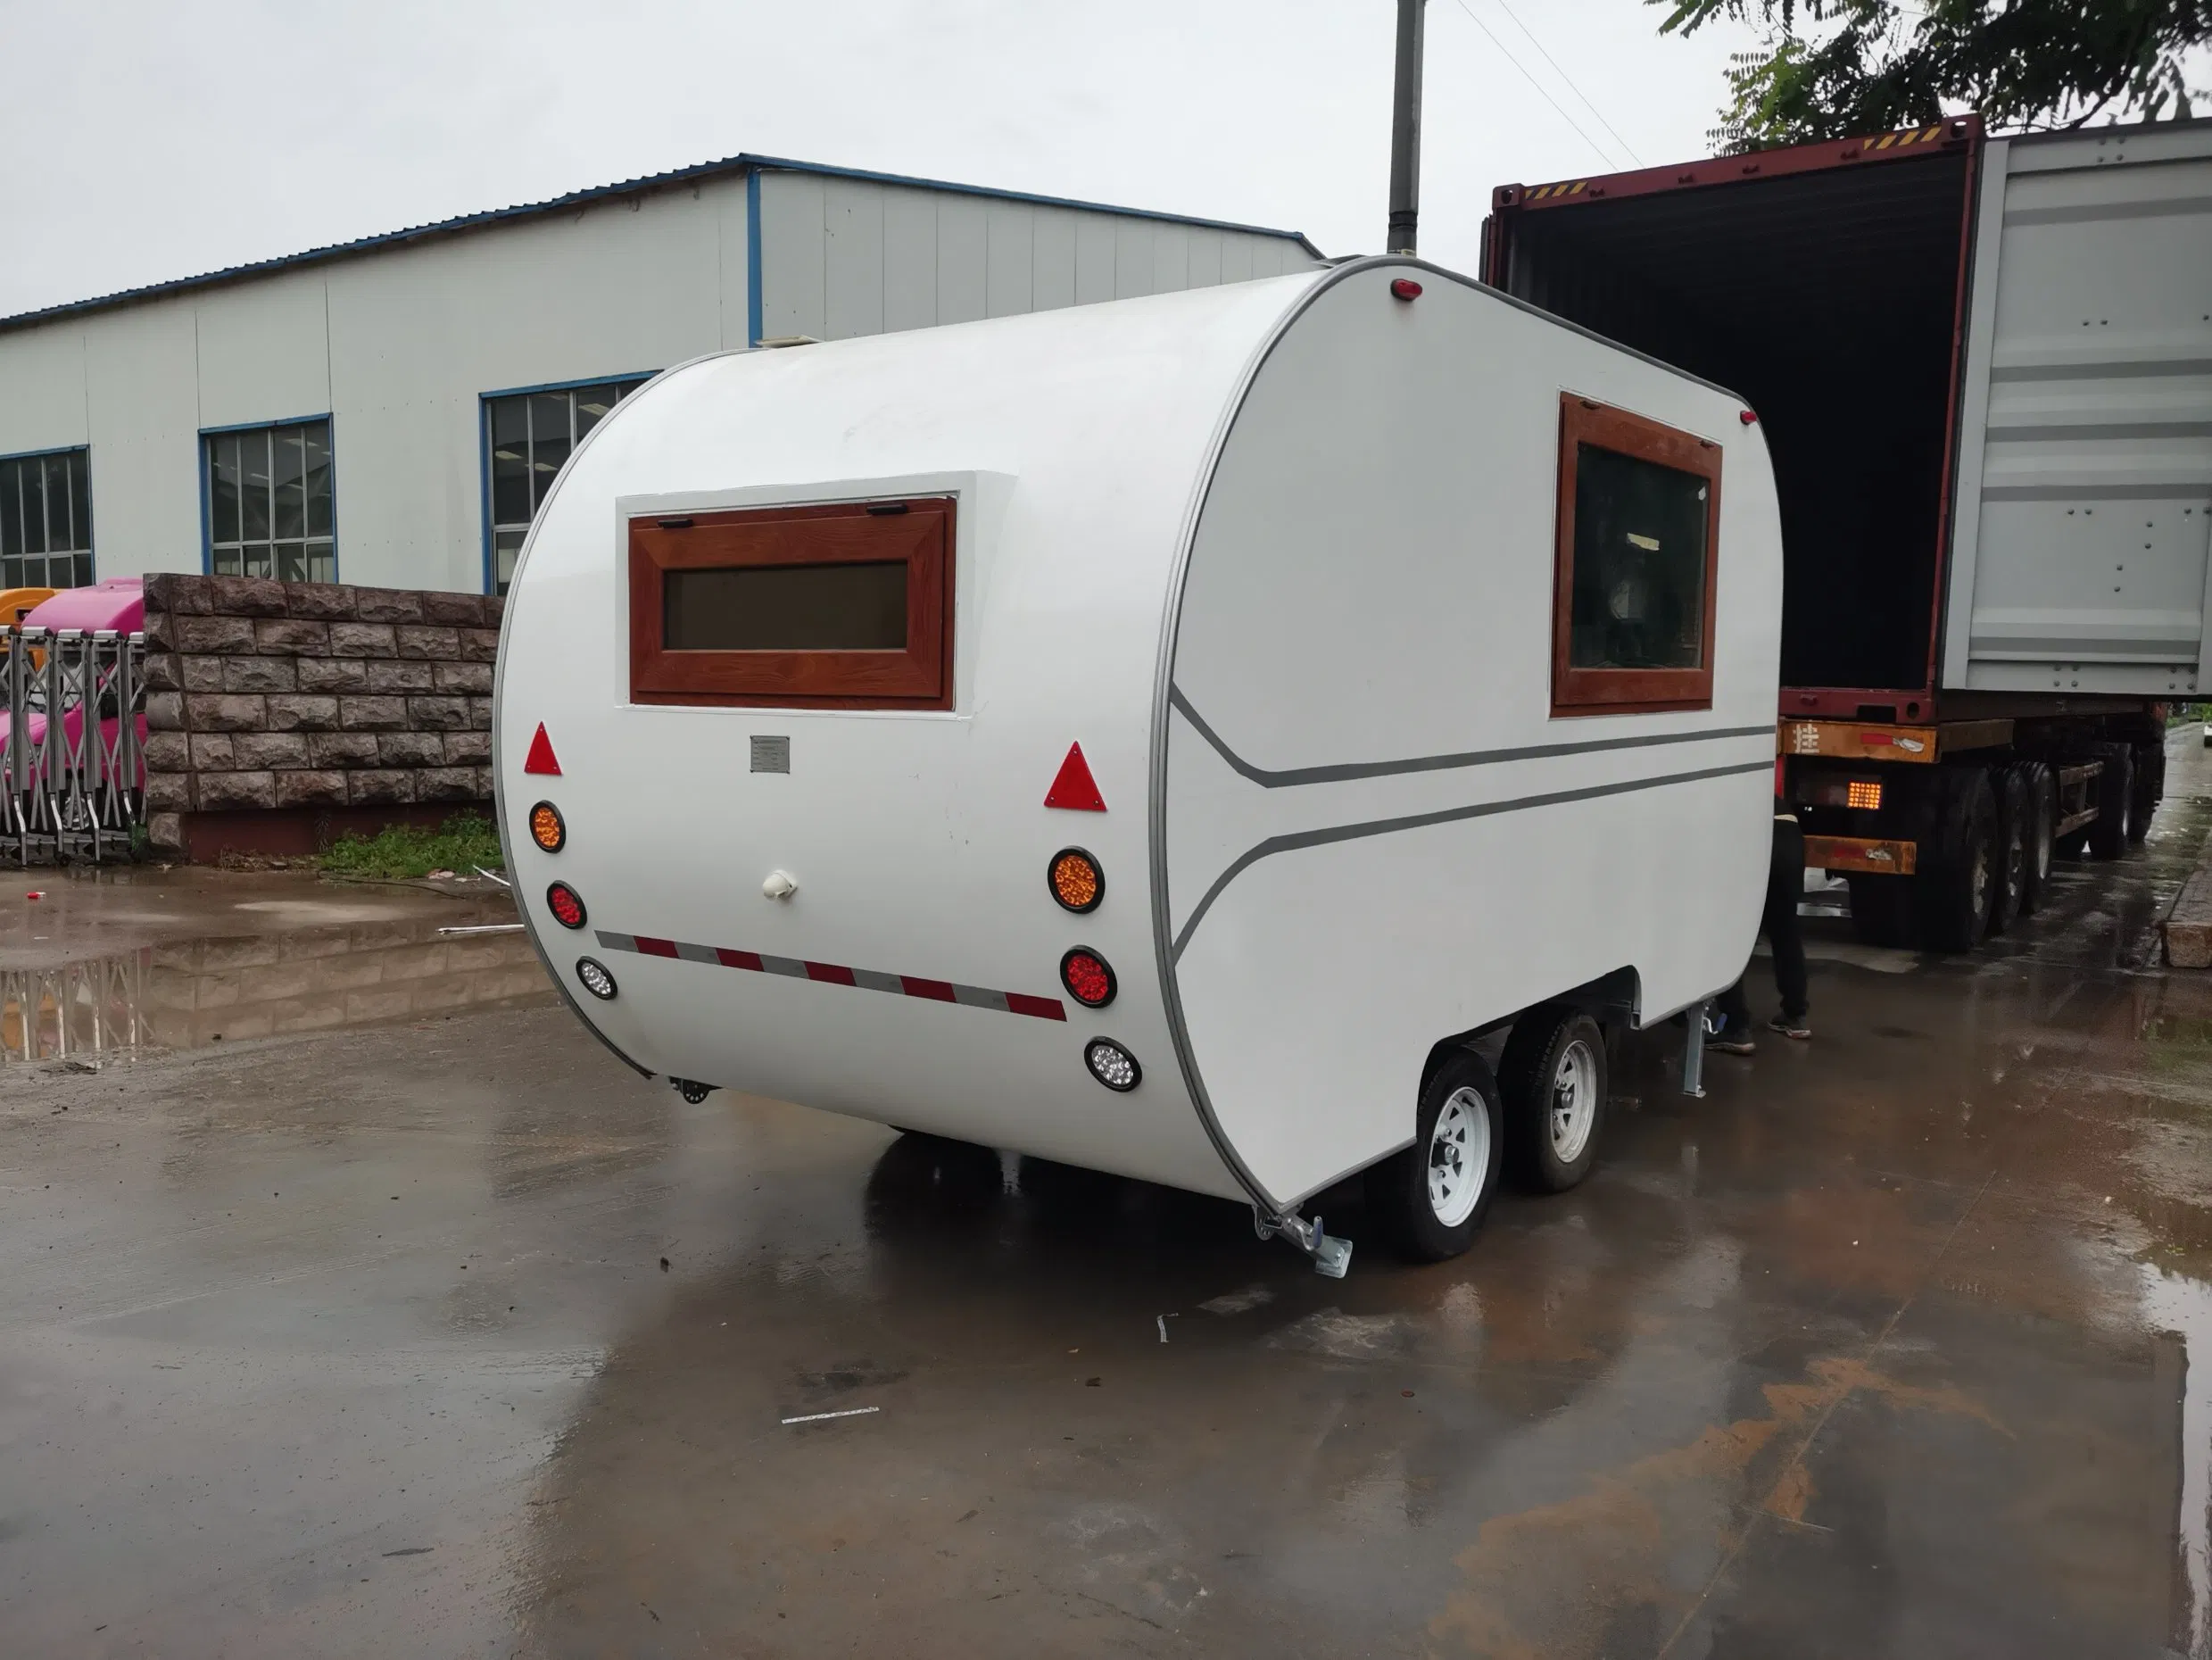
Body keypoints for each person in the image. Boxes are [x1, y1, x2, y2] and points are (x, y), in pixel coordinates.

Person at [1708, 788, 1810, 1055]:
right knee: (1785, 930)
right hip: (1790, 833)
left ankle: (1736, 1026)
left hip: (1757, 833)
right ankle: (1795, 1015)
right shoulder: (1753, 785)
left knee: (1728, 930)